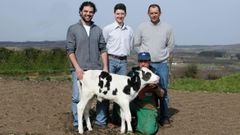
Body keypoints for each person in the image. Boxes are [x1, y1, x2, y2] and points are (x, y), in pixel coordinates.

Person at [65, 1, 108, 131]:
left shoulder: (98, 29)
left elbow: (103, 49)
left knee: (98, 97)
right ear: (80, 12)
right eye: (86, 11)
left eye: (91, 12)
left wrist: (105, 67)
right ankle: (78, 123)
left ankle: (97, 122)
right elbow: (70, 50)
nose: (88, 14)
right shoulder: (73, 29)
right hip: (80, 69)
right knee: (77, 97)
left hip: (96, 70)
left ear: (93, 13)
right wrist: (77, 68)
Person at [134, 4, 175, 127]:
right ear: (148, 14)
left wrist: (163, 56)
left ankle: (165, 117)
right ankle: (142, 115)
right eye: (151, 13)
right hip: (146, 66)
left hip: (161, 64)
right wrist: (144, 57)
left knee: (163, 90)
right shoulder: (142, 27)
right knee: (142, 89)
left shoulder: (168, 28)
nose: (154, 15)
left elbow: (171, 46)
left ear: (160, 13)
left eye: (156, 12)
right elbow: (136, 44)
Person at [96, 3, 134, 127]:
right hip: (110, 61)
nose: (120, 16)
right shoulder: (107, 29)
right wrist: (105, 64)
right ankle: (101, 120)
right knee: (105, 91)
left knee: (121, 94)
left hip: (123, 62)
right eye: (118, 13)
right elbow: (102, 47)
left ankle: (116, 119)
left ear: (125, 14)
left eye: (122, 13)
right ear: (114, 14)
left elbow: (131, 46)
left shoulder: (130, 30)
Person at [129, 52, 164, 135]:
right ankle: (131, 120)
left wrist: (155, 88)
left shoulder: (155, 74)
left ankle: (150, 121)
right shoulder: (133, 73)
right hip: (133, 103)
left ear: (150, 62)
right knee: (119, 104)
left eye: (145, 61)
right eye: (141, 61)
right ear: (138, 62)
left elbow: (162, 94)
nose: (143, 64)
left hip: (147, 106)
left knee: (148, 131)